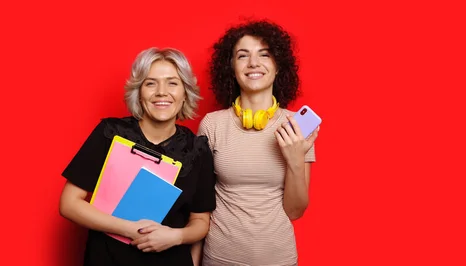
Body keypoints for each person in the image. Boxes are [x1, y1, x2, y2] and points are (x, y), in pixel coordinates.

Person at [59, 47, 216, 266]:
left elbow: (200, 220)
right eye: (151, 83)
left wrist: (175, 236)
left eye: (172, 82)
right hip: (107, 258)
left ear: (185, 93)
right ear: (139, 93)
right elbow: (69, 204)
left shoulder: (197, 150)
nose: (162, 92)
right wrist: (129, 229)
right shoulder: (110, 133)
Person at [198, 20, 320, 266]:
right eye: (243, 56)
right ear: (231, 68)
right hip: (219, 258)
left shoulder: (297, 127)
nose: (253, 63)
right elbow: (199, 205)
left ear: (277, 67)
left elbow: (295, 212)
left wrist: (295, 159)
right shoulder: (211, 124)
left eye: (264, 54)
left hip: (279, 259)